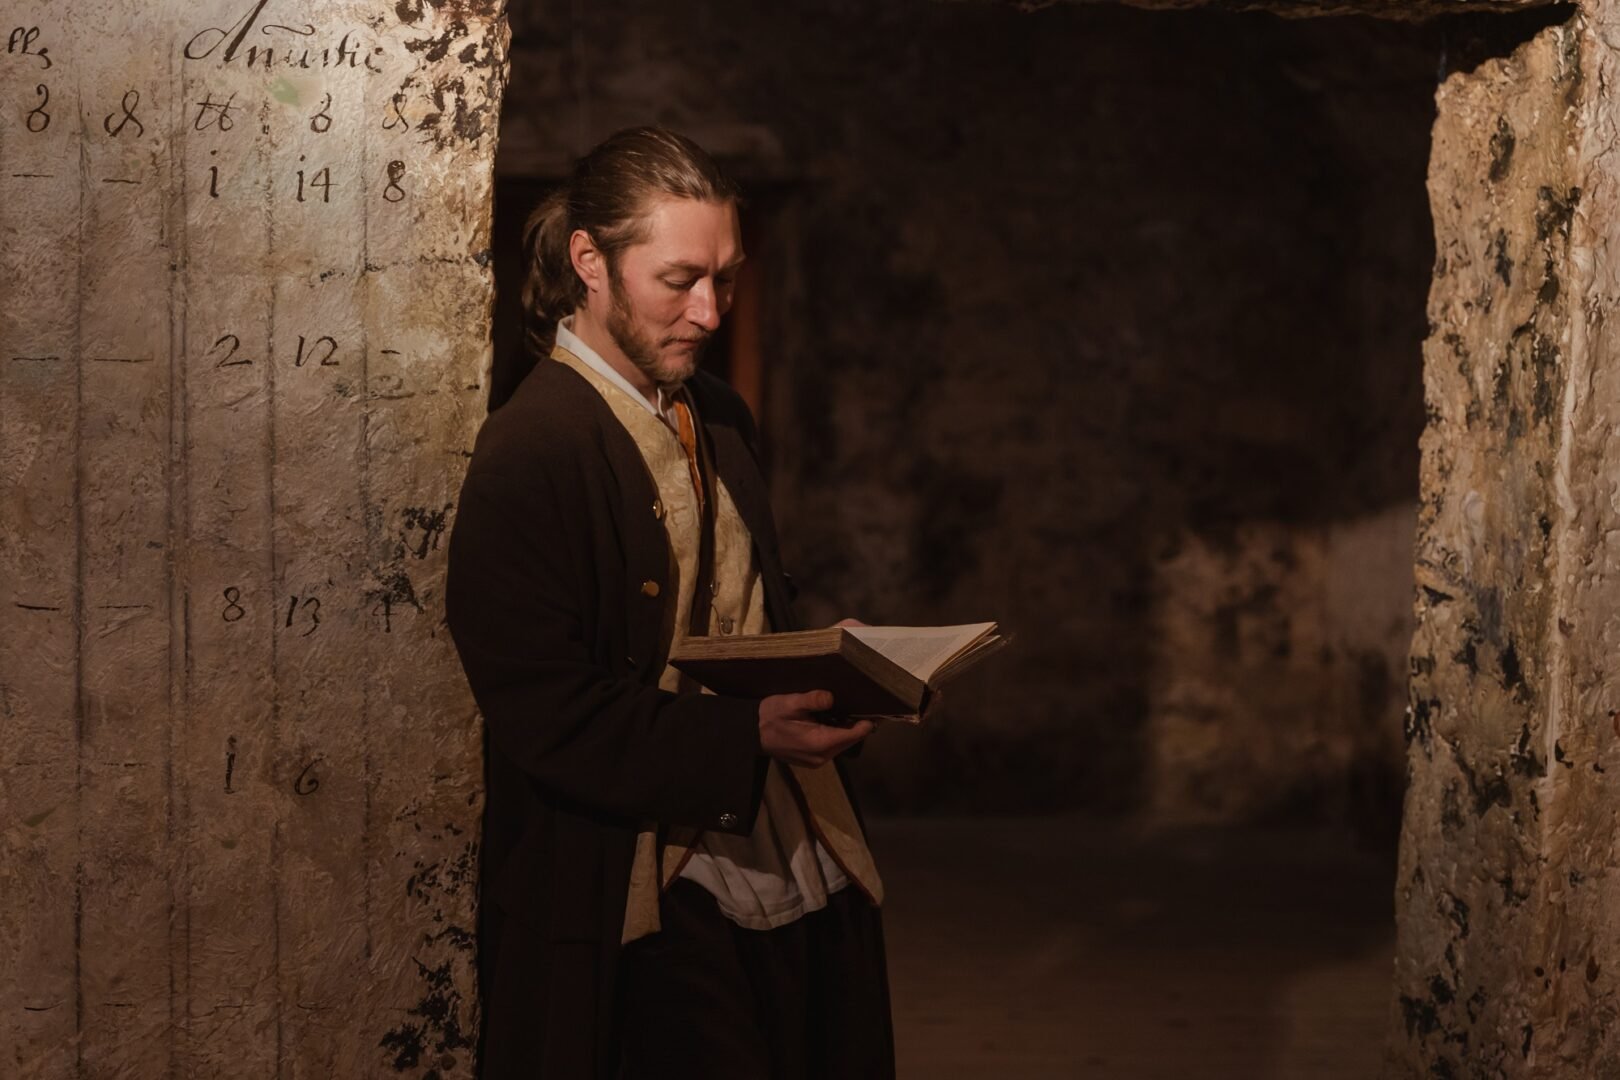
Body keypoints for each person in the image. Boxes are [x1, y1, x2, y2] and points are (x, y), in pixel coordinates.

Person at [446, 126, 895, 1079]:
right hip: (634, 872)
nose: (709, 310)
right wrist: (746, 739)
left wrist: (820, 655)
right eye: (680, 279)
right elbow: (543, 709)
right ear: (590, 262)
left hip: (780, 834)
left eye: (726, 280)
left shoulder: (719, 414)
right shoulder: (532, 449)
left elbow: (728, 614)